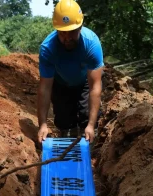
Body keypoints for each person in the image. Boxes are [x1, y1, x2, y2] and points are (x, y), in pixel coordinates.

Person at [37, 0, 104, 144]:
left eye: (72, 32)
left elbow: (95, 87)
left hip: (85, 82)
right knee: (64, 121)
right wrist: (42, 124)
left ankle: (89, 146)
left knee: (87, 116)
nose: (67, 38)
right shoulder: (48, 48)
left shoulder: (91, 44)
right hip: (60, 83)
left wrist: (91, 126)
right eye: (62, 33)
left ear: (80, 27)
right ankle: (69, 139)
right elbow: (45, 87)